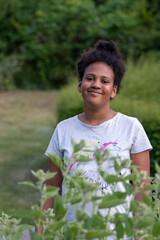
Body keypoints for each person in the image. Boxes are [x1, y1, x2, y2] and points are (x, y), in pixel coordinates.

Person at [41, 40, 152, 237]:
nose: (96, 85)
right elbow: (50, 193)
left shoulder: (131, 128)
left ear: (114, 91)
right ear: (80, 85)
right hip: (73, 234)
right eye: (90, 78)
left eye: (105, 81)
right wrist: (41, 233)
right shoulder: (63, 129)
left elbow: (142, 192)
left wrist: (143, 234)